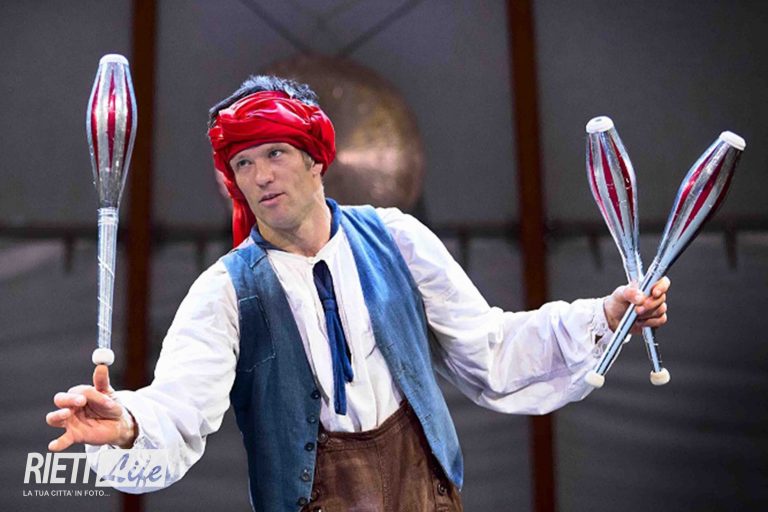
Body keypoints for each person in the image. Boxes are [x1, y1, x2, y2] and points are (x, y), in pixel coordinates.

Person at [46, 75, 670, 511]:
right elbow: (181, 406)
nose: (260, 176)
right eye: (242, 164)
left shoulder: (397, 239)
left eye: (275, 153)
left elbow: (491, 347)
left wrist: (603, 315)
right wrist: (128, 424)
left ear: (317, 159)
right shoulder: (225, 292)